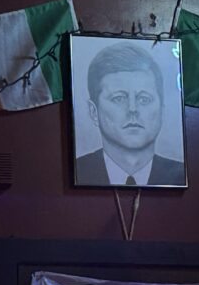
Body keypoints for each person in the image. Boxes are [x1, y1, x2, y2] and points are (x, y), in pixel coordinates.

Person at [76, 42, 185, 186]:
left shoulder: (179, 176)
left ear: (161, 111)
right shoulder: (78, 173)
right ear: (94, 112)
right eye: (119, 98)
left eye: (144, 99)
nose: (133, 109)